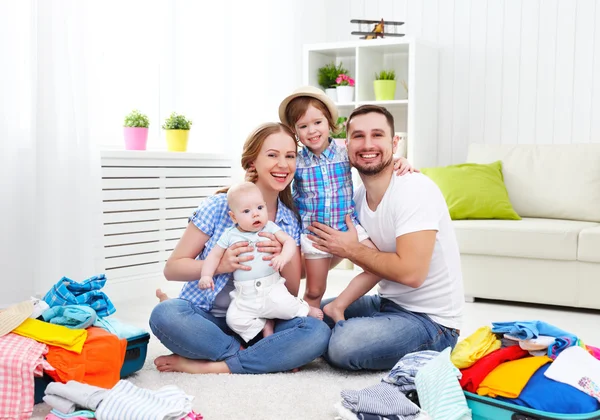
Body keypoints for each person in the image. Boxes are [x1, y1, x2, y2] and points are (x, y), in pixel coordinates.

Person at [149, 122, 331, 375]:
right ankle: (262, 355)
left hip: (264, 321)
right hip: (209, 319)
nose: (283, 164)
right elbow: (173, 269)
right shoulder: (218, 207)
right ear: (252, 162)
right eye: (272, 155)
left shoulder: (289, 221)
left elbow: (289, 292)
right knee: (166, 314)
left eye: (290, 156)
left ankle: (216, 365)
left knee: (316, 331)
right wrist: (223, 265)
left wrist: (282, 254)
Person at [308, 104, 464, 371]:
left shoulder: (414, 189)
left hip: (432, 323)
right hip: (386, 304)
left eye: (377, 135)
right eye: (358, 136)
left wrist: (351, 250)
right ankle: (310, 337)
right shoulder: (355, 199)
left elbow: (411, 274)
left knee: (345, 344)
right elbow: (332, 252)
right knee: (304, 316)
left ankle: (319, 342)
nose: (368, 144)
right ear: (346, 145)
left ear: (395, 143)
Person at [278, 86, 416, 314]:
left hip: (348, 226)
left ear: (331, 123)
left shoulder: (344, 152)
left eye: (318, 123)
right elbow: (278, 179)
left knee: (377, 266)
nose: (311, 131)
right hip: (317, 234)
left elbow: (371, 156)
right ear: (295, 132)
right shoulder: (297, 161)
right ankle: (307, 329)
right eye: (303, 126)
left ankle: (337, 306)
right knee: (314, 291)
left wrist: (401, 160)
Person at [198, 181, 323, 343]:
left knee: (286, 306)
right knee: (234, 320)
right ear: (233, 216)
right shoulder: (229, 235)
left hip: (271, 287)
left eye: (259, 208)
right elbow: (213, 256)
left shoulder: (270, 228)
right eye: (247, 211)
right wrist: (206, 275)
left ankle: (305, 309)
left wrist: (283, 257)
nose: (255, 214)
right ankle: (263, 326)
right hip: (244, 295)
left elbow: (289, 242)